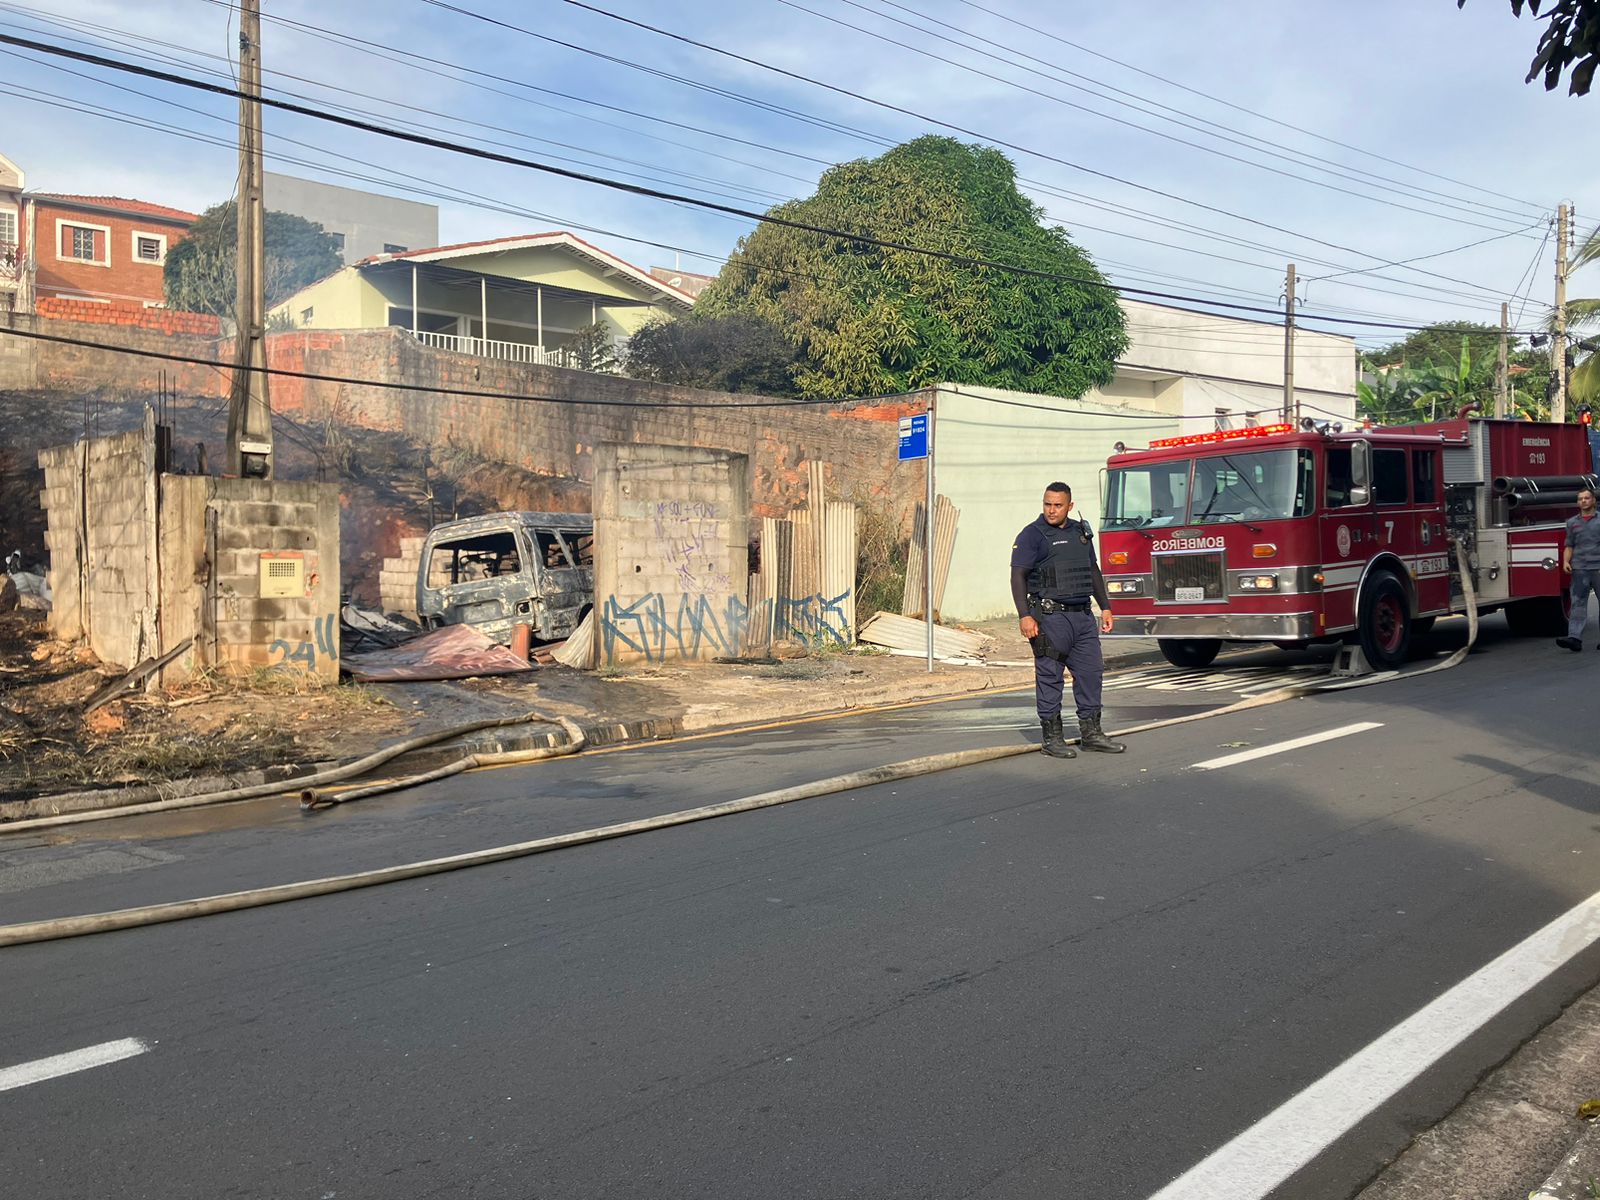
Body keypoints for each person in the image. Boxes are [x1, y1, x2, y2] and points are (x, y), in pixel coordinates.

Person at [1011, 482, 1125, 758]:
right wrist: (1025, 615)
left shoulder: (1079, 533)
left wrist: (1106, 607)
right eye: (1047, 504)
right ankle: (1052, 739)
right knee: (1050, 677)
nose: (1051, 510)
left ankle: (1092, 734)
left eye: (1057, 505)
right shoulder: (1032, 535)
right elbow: (1018, 576)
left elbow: (1093, 571)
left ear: (1069, 506)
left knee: (1091, 674)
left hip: (1083, 617)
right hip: (1050, 618)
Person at [1558, 485, 1600, 651]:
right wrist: (1565, 562)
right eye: (1580, 499)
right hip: (1580, 569)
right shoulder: (1572, 523)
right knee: (1578, 604)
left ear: (1593, 500)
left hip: (1598, 567)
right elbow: (1569, 545)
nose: (1583, 501)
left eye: (1587, 498)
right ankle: (1574, 638)